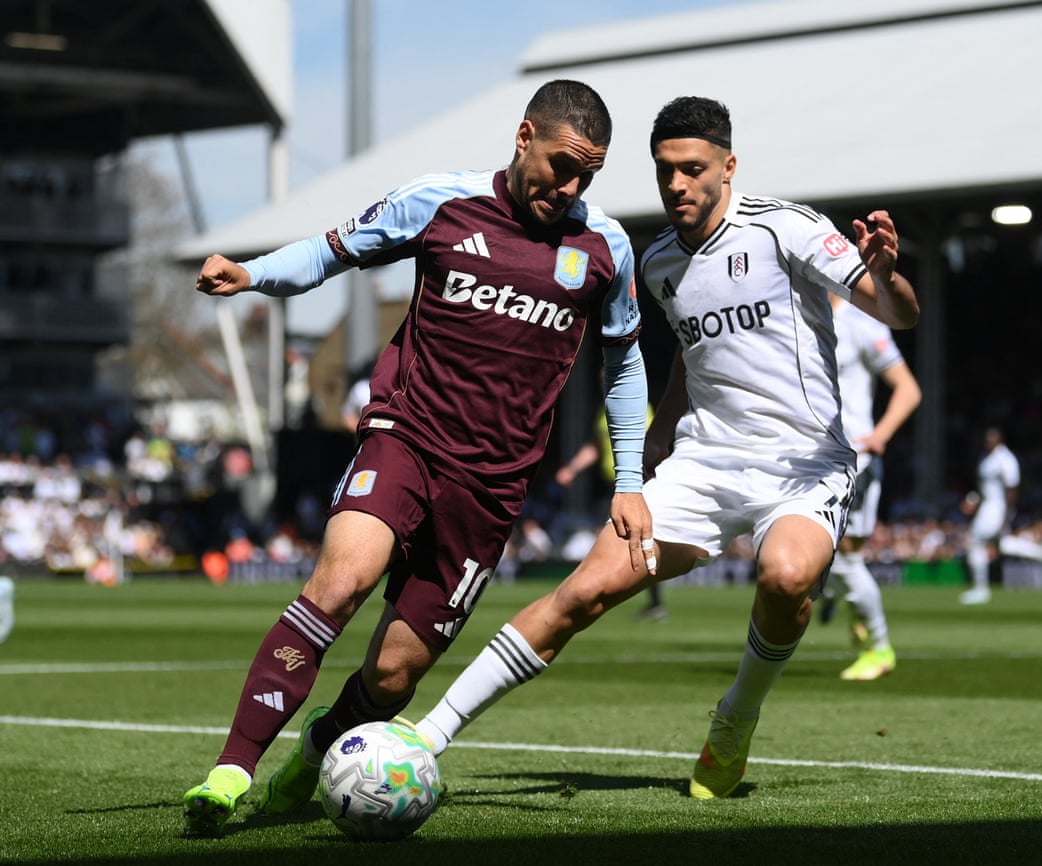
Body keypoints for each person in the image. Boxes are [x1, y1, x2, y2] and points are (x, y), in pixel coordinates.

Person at [181, 79, 655, 836]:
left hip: (493, 488)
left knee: (394, 674)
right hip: (406, 436)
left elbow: (624, 365)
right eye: (562, 165)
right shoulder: (442, 202)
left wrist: (628, 481)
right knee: (341, 581)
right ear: (524, 134)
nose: (570, 187)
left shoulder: (604, 247)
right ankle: (230, 771)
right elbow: (331, 251)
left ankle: (312, 755)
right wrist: (252, 272)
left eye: (587, 176)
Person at [414, 96, 919, 799]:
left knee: (785, 577)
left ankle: (735, 720)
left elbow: (898, 311)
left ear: (728, 166)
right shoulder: (656, 264)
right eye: (664, 172)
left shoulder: (785, 229)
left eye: (691, 169)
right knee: (583, 592)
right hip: (703, 464)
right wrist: (653, 445)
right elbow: (689, 353)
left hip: (803, 468)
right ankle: (425, 738)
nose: (676, 185)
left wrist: (886, 273)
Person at [821, 292, 922, 679]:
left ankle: (878, 648)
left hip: (855, 460)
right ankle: (833, 594)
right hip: (812, 458)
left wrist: (880, 435)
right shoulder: (799, 314)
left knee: (846, 557)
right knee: (823, 551)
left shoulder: (861, 323)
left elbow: (908, 388)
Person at [555, 385, 665, 619]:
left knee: (639, 538)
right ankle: (599, 593)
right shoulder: (604, 411)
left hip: (636, 487)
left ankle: (653, 602)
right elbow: (596, 446)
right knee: (609, 538)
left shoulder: (639, 407)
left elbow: (652, 444)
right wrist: (572, 469)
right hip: (611, 486)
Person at [959, 427, 1019, 605]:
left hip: (997, 507)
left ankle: (981, 589)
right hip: (986, 506)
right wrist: (973, 500)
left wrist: (1008, 515)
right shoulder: (984, 458)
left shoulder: (1006, 459)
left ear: (1000, 440)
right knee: (1003, 545)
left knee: (975, 540)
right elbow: (982, 488)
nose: (987, 442)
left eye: (991, 439)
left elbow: (1012, 489)